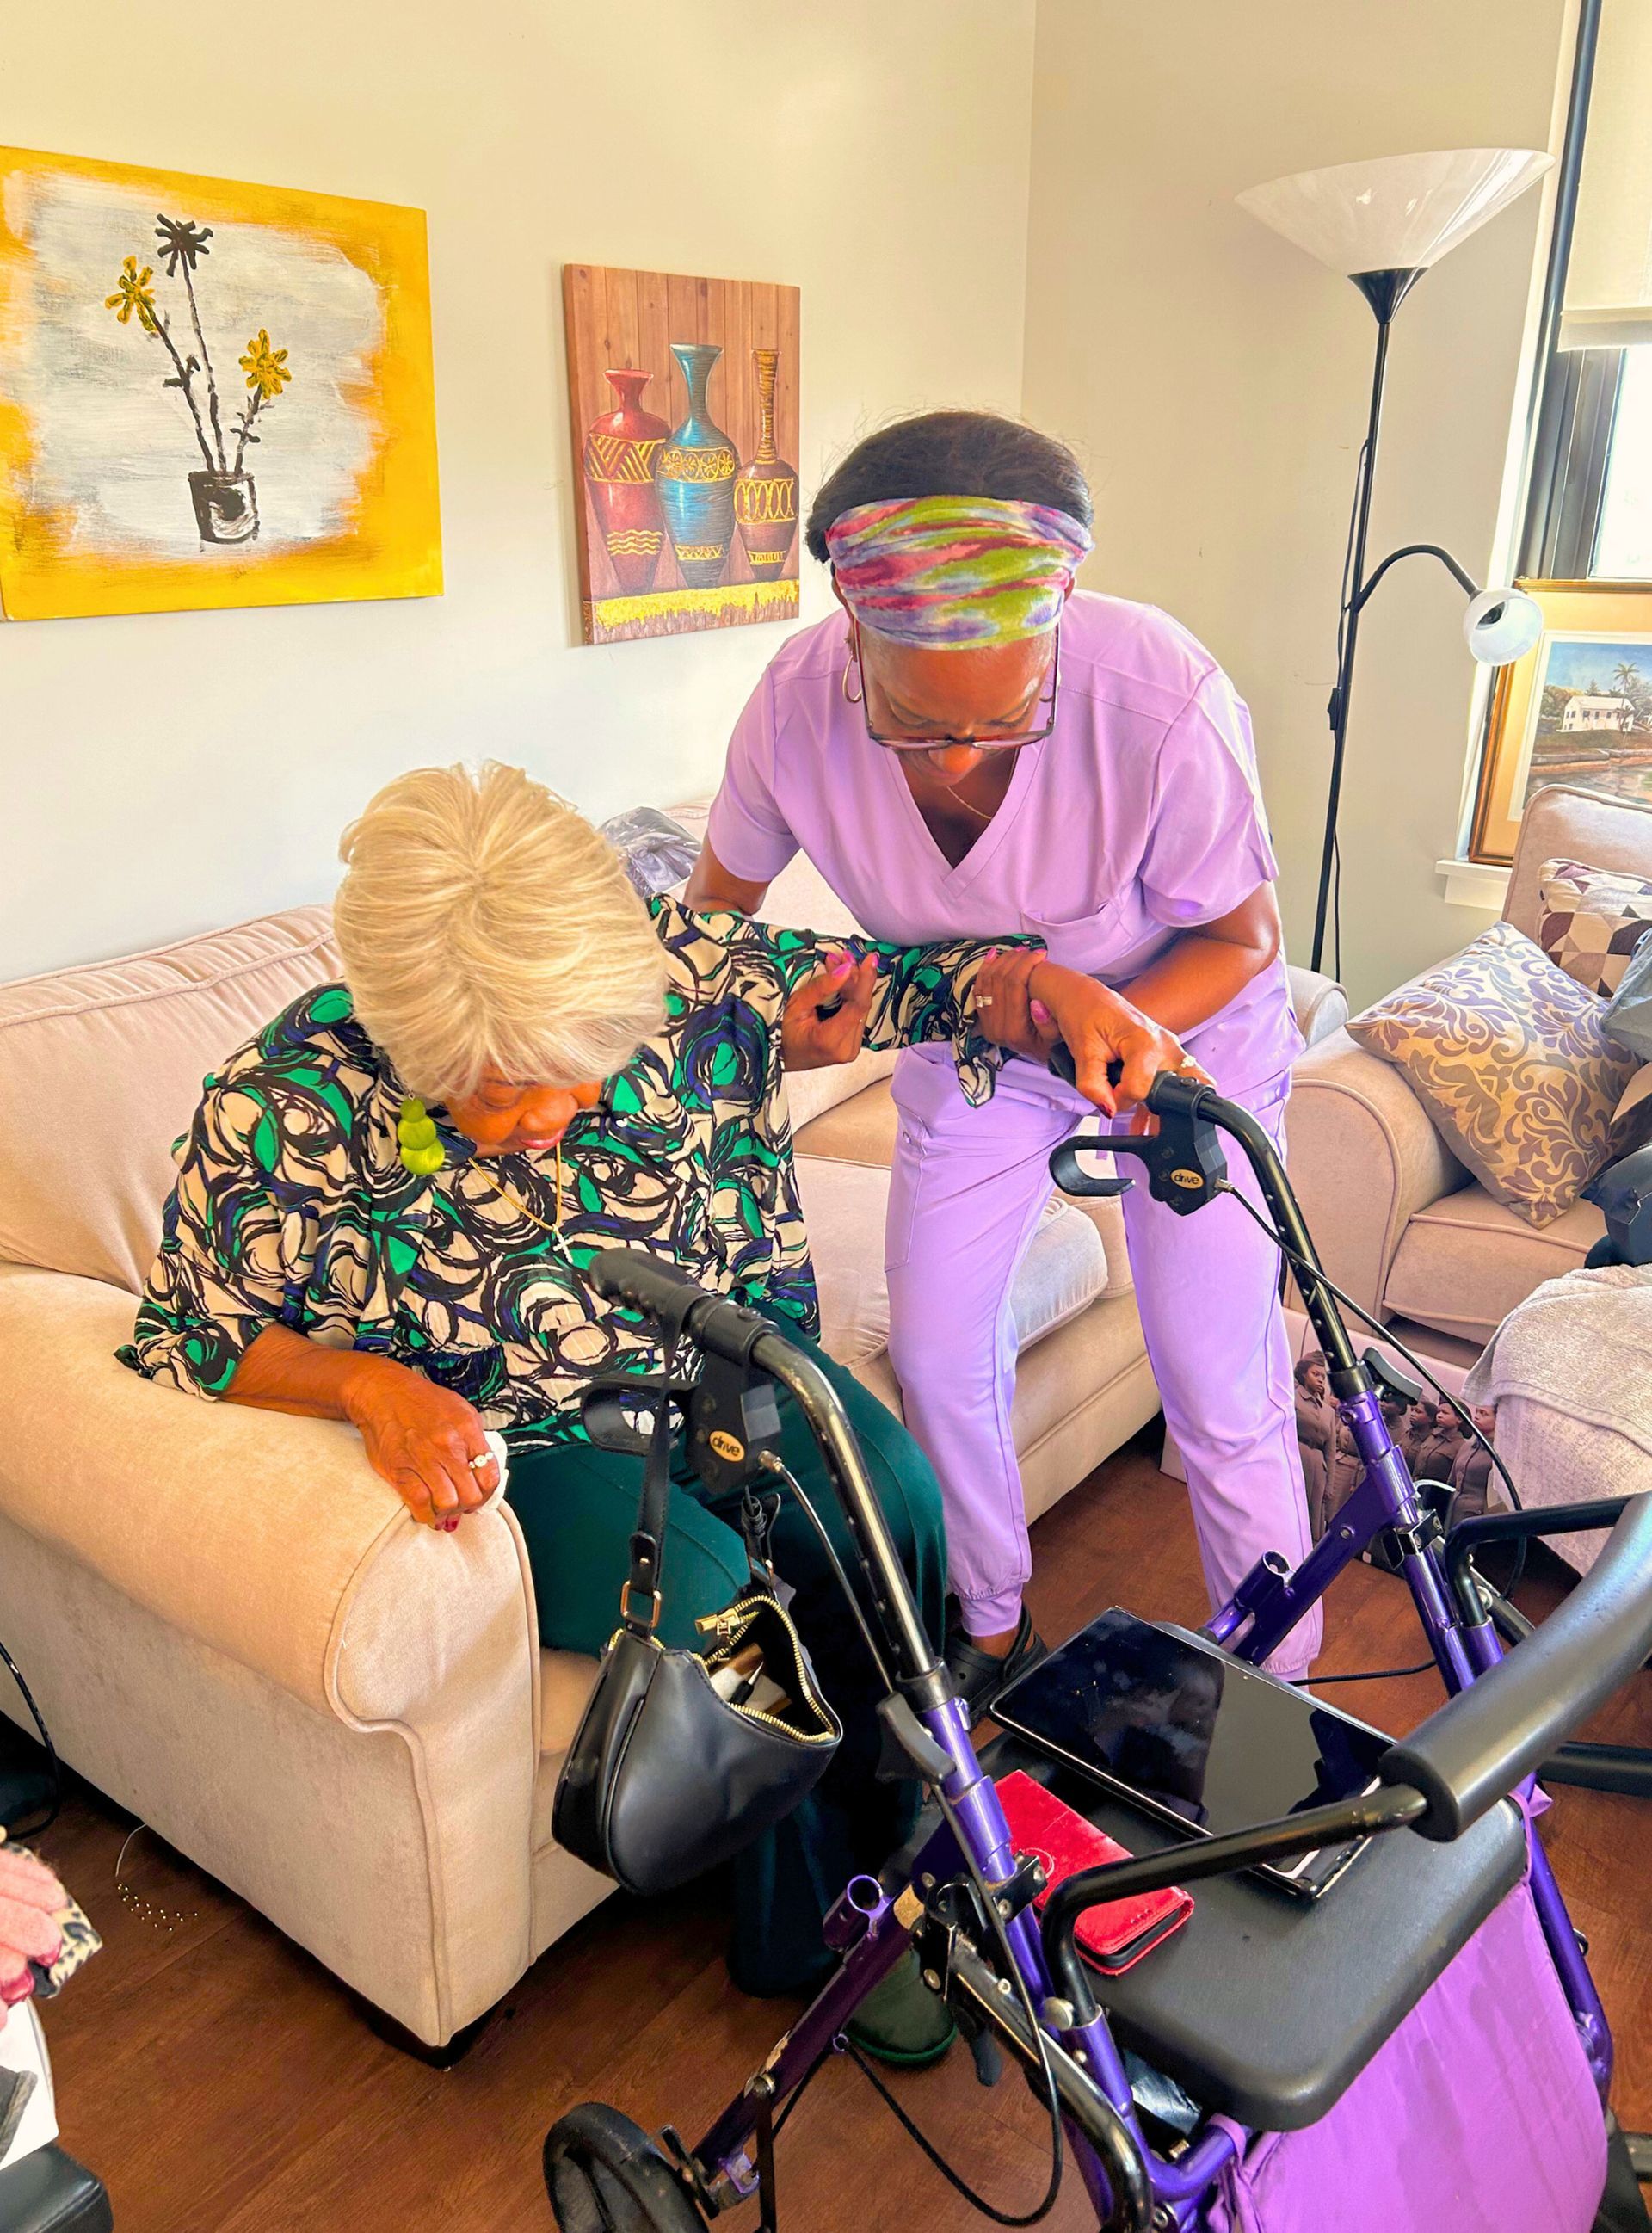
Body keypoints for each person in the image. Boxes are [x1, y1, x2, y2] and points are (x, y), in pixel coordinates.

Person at [118, 762, 1176, 2056]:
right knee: (721, 1599)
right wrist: (366, 1384)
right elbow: (192, 1326)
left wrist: (1043, 988)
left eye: (573, 1069)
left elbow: (928, 982)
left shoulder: (691, 968)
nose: (546, 1115)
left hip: (729, 1355)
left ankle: (893, 1817)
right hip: (541, 1428)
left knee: (890, 1492)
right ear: (401, 1037)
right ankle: (812, 1934)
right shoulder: (284, 1101)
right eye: (497, 1087)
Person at [688, 410, 1321, 1712]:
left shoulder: (1161, 694)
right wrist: (777, 1024)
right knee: (933, 1346)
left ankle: (1276, 1686)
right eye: (916, 722)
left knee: (1217, 1377)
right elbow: (711, 928)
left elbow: (1245, 932)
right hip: (972, 1059)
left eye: (1007, 716)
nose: (964, 756)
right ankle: (985, 1621)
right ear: (849, 637)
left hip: (1181, 1043)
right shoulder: (792, 712)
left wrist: (1131, 1030)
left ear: (1064, 616)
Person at [1292, 1351, 1360, 1538]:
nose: (1321, 1380)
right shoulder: (1292, 1399)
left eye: (1323, 1376)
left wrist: (1329, 1484)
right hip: (1295, 1458)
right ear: (1303, 1374)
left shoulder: (1328, 1412)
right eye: (1316, 1374)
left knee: (1311, 1520)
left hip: (1317, 1469)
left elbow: (1330, 1451)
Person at [1450, 1406, 1499, 1521]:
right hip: (1454, 1511)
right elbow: (1452, 1481)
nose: (1476, 1416)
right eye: (1476, 1412)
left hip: (1478, 1517)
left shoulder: (1499, 1454)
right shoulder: (1467, 1446)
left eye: (1483, 1413)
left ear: (1498, 1420)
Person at [1413, 1400, 1466, 1489]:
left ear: (1459, 1419)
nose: (1439, 1415)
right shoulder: (1431, 1438)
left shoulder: (1460, 1446)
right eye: (1438, 1412)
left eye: (1445, 1413)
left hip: (1436, 1494)